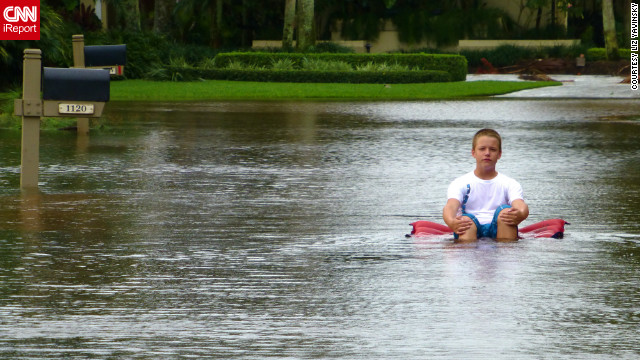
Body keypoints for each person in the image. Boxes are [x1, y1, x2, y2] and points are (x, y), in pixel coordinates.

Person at [442, 129, 529, 241]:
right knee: (465, 221)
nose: (487, 153)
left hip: (500, 227)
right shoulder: (460, 182)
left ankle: (508, 254)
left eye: (492, 149)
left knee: (506, 212)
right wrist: (451, 222)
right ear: (473, 153)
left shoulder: (510, 183)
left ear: (499, 154)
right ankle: (466, 254)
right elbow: (450, 206)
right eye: (482, 149)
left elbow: (520, 205)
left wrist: (521, 214)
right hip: (470, 227)